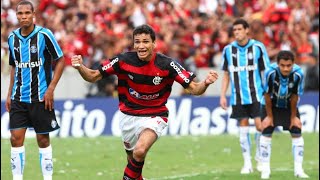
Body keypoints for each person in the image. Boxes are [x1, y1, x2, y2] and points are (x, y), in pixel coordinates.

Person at [71, 24, 219, 180]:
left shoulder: (167, 64)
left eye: (145, 42)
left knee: (140, 151)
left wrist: (206, 83)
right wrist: (80, 67)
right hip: (127, 116)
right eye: (137, 42)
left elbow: (195, 89)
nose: (141, 46)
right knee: (133, 161)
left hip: (155, 115)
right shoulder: (122, 60)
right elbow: (93, 76)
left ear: (153, 44)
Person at [5, 1, 65, 180]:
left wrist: (51, 88)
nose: (23, 16)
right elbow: (14, 66)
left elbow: (60, 60)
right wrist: (9, 94)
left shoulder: (44, 35)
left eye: (27, 13)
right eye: (20, 13)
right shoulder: (12, 38)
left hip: (41, 96)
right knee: (15, 138)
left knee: (43, 140)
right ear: (16, 16)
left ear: (33, 14)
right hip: (18, 97)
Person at [220, 18, 270, 174]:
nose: (237, 33)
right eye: (234, 30)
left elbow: (266, 71)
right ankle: (247, 163)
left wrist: (269, 93)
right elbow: (227, 74)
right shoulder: (228, 50)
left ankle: (260, 157)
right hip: (238, 96)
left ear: (247, 30)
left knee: (260, 126)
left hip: (257, 94)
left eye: (240, 29)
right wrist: (222, 95)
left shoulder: (258, 47)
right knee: (243, 128)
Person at [259, 50, 309, 179]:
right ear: (277, 64)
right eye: (282, 65)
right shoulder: (270, 72)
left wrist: (293, 117)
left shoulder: (298, 74)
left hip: (288, 104)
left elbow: (294, 96)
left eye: (289, 66)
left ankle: (299, 170)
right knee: (266, 132)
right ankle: (265, 171)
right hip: (270, 104)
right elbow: (266, 94)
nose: (286, 69)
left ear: (293, 64)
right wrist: (269, 117)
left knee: (297, 130)